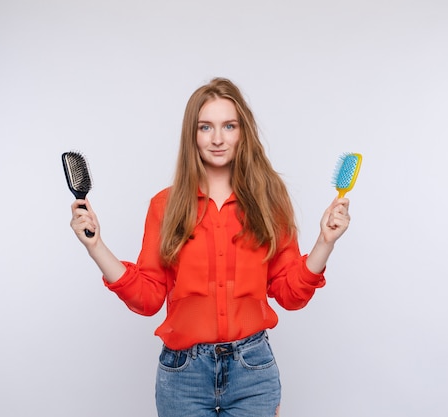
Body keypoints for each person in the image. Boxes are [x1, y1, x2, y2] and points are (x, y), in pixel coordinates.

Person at [69, 77, 351, 417]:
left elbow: (291, 294)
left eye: (228, 126)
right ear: (192, 135)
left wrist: (325, 242)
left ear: (242, 132)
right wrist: (96, 246)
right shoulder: (165, 205)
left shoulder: (269, 202)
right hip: (183, 376)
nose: (217, 139)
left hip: (254, 374)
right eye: (206, 127)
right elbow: (148, 298)